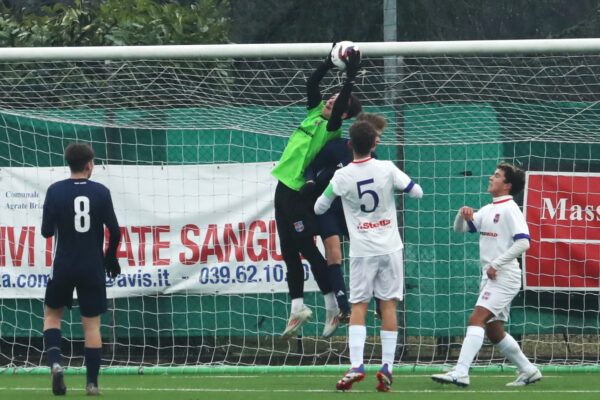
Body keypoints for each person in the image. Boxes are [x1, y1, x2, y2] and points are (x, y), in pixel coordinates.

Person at [314, 121, 423, 392]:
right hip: (390, 248)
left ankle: (356, 364)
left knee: (359, 305)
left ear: (350, 145)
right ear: (375, 143)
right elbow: (416, 192)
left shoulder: (341, 177)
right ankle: (387, 366)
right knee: (388, 305)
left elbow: (319, 207)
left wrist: (340, 197)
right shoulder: (387, 168)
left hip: (362, 251)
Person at [272, 43, 362, 339]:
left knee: (307, 248)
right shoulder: (314, 113)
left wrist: (350, 77)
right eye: (331, 98)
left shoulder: (331, 128)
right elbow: (312, 83)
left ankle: (332, 304)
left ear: (343, 116)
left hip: (299, 193)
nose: (330, 102)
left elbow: (343, 102)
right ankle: (297, 307)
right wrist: (327, 62)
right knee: (288, 248)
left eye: (337, 103)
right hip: (282, 187)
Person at [431, 163, 542, 387]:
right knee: (494, 330)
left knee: (476, 319)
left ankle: (461, 372)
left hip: (504, 276)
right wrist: (462, 214)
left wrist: (497, 264)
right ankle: (528, 370)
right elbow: (460, 229)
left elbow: (524, 242)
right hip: (493, 276)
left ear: (507, 185)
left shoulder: (510, 209)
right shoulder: (490, 208)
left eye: (497, 176)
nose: (491, 177)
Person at [41, 143, 121, 396]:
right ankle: (92, 384)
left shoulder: (55, 191)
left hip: (63, 265)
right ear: (89, 165)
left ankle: (55, 364)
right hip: (92, 266)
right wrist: (110, 257)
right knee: (92, 326)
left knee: (52, 317)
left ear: (69, 163)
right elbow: (116, 232)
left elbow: (45, 231)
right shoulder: (101, 192)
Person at [300, 113, 387, 337]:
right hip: (328, 207)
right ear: (364, 133)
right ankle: (343, 308)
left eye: (379, 137)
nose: (378, 140)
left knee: (371, 250)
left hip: (352, 211)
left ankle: (379, 303)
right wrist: (311, 181)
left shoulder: (373, 158)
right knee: (334, 253)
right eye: (377, 136)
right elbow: (311, 166)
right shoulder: (335, 147)